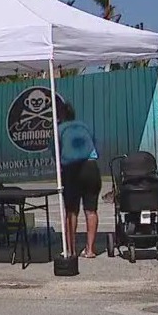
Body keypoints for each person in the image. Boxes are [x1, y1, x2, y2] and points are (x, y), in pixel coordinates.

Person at [56, 101, 103, 258]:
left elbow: (55, 152)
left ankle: (70, 250)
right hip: (91, 166)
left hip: (72, 169)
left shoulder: (59, 129)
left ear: (60, 116)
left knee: (71, 210)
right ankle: (90, 250)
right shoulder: (84, 126)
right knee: (91, 210)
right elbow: (94, 144)